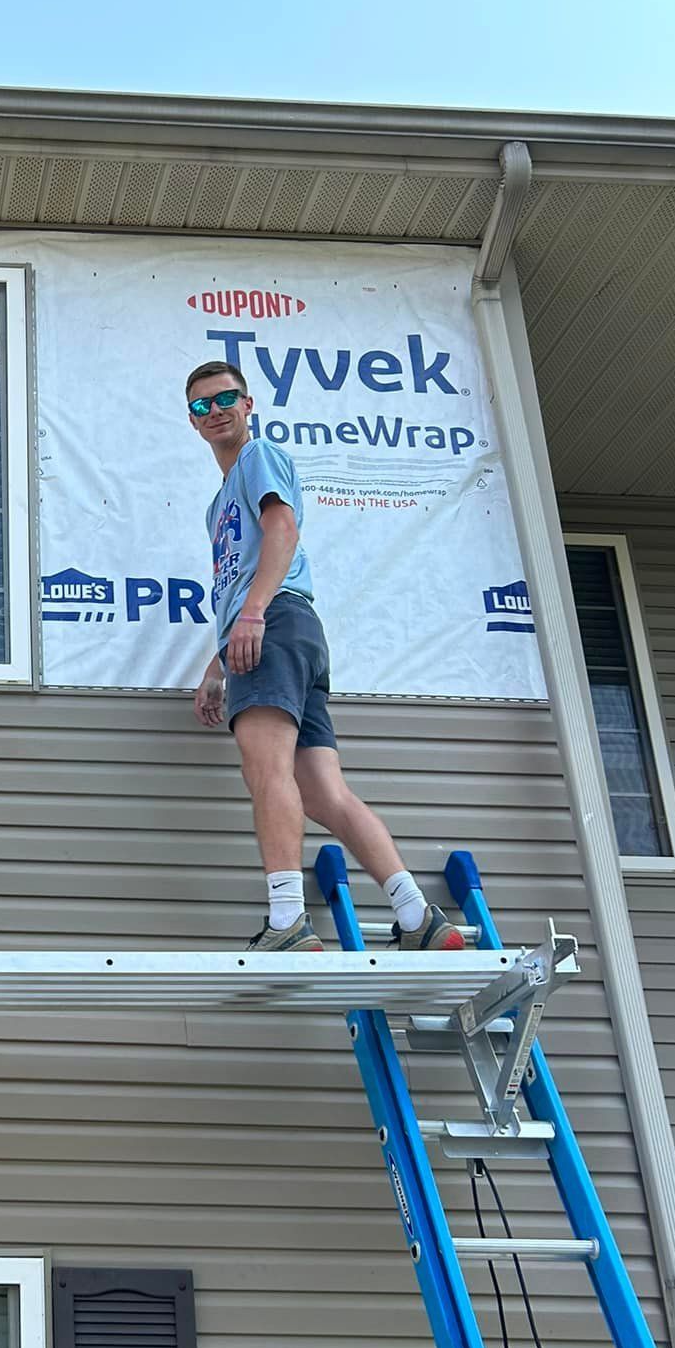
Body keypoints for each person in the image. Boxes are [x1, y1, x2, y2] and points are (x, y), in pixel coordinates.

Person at [186, 359, 465, 954]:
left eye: (224, 399)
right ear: (192, 421)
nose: (214, 412)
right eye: (201, 406)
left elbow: (282, 530)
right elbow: (235, 583)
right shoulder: (217, 508)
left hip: (275, 625)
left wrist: (255, 614)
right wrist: (215, 665)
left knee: (267, 771)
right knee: (323, 794)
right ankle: (417, 917)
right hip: (291, 632)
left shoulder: (258, 457)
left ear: (248, 403)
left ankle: (287, 920)